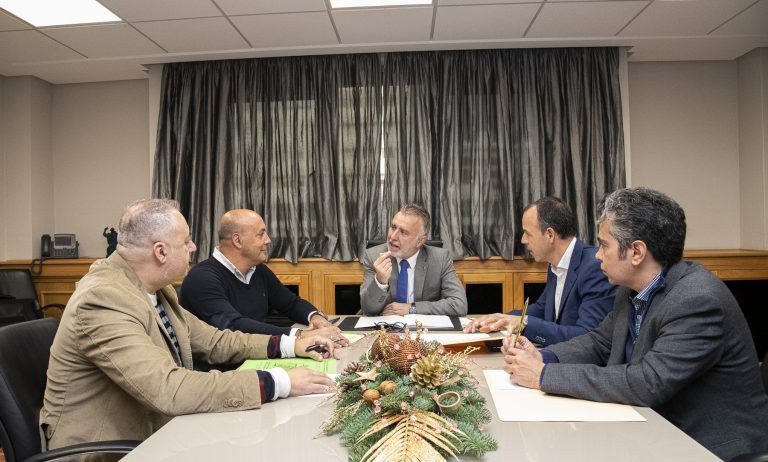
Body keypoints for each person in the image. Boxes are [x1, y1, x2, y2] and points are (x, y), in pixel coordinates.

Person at [41, 199, 337, 453]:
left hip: (156, 430)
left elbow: (214, 341)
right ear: (160, 252)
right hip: (107, 450)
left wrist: (291, 344)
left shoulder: (158, 290)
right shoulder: (103, 299)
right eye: (186, 242)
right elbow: (167, 388)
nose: (194, 247)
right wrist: (279, 382)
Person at [502, 187, 768, 460]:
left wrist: (543, 375)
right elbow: (599, 343)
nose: (597, 255)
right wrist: (543, 356)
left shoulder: (696, 300)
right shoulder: (631, 289)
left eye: (604, 245)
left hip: (709, 447)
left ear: (637, 252)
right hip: (655, 432)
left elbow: (648, 382)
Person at [465, 197, 616, 346]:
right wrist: (500, 319)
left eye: (528, 233)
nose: (523, 240)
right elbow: (542, 309)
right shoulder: (555, 263)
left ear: (550, 234)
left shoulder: (595, 267)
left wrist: (524, 324)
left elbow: (587, 337)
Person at [181, 210, 347, 344]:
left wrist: (315, 317)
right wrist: (299, 335)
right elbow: (234, 325)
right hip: (220, 370)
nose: (268, 240)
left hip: (257, 355)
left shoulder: (258, 270)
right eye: (261, 234)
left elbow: (291, 304)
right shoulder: (202, 279)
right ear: (237, 241)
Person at [360, 204, 467, 316]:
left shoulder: (440, 259)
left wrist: (412, 308)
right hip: (386, 326)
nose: (393, 237)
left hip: (423, 326)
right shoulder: (374, 256)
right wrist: (380, 281)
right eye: (393, 227)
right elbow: (368, 309)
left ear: (420, 241)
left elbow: (459, 304)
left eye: (403, 232)